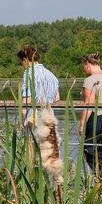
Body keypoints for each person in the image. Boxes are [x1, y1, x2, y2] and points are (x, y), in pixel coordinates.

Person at [19, 45, 63, 179]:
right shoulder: (52, 76)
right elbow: (57, 99)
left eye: (21, 62)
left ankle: (32, 180)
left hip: (34, 120)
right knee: (49, 154)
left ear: (26, 59)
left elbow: (26, 101)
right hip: (49, 119)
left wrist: (21, 123)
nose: (22, 66)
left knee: (31, 155)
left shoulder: (28, 74)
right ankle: (51, 182)